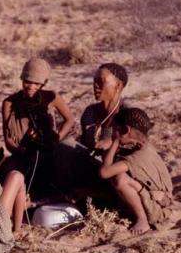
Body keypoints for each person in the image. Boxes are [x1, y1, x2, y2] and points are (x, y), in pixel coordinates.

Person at [54, 63, 130, 202]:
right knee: (64, 146)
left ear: (118, 85)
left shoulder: (128, 115)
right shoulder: (90, 112)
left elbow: (137, 152)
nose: (95, 86)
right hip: (93, 167)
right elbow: (86, 145)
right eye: (94, 81)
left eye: (101, 82)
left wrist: (113, 143)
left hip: (116, 171)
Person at [1, 58, 74, 196]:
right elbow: (8, 141)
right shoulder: (9, 103)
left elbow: (69, 120)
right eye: (27, 82)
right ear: (22, 80)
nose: (31, 87)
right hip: (22, 155)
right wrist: (23, 153)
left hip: (49, 151)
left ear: (44, 83)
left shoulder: (51, 97)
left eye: (37, 83)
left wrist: (56, 139)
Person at [99, 108, 173, 235]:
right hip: (160, 201)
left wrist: (116, 142)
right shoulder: (145, 147)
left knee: (120, 179)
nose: (112, 134)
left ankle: (142, 220)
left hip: (158, 209)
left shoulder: (136, 157)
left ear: (124, 130)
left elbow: (104, 172)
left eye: (114, 130)